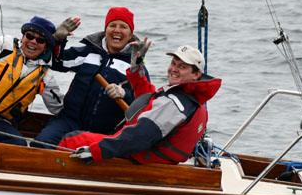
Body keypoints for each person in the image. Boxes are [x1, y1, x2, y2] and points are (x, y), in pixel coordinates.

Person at [61, 43, 221, 165]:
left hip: (140, 157)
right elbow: (149, 100)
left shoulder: (174, 103)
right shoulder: (191, 100)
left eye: (182, 67)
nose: (174, 69)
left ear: (196, 75)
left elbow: (139, 137)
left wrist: (97, 151)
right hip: (148, 155)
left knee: (72, 139)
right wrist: (137, 68)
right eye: (173, 63)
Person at [33, 7, 149, 147]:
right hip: (69, 121)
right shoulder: (88, 52)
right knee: (41, 145)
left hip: (104, 132)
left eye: (123, 26)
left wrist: (124, 94)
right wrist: (57, 39)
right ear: (105, 30)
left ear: (131, 34)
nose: (117, 30)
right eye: (112, 25)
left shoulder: (135, 68)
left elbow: (144, 106)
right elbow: (55, 62)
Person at [0, 16, 65, 145]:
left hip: (1, 120)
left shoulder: (46, 75)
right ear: (23, 36)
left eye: (40, 40)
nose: (33, 42)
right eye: (29, 36)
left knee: (18, 143)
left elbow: (57, 108)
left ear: (46, 47)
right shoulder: (4, 45)